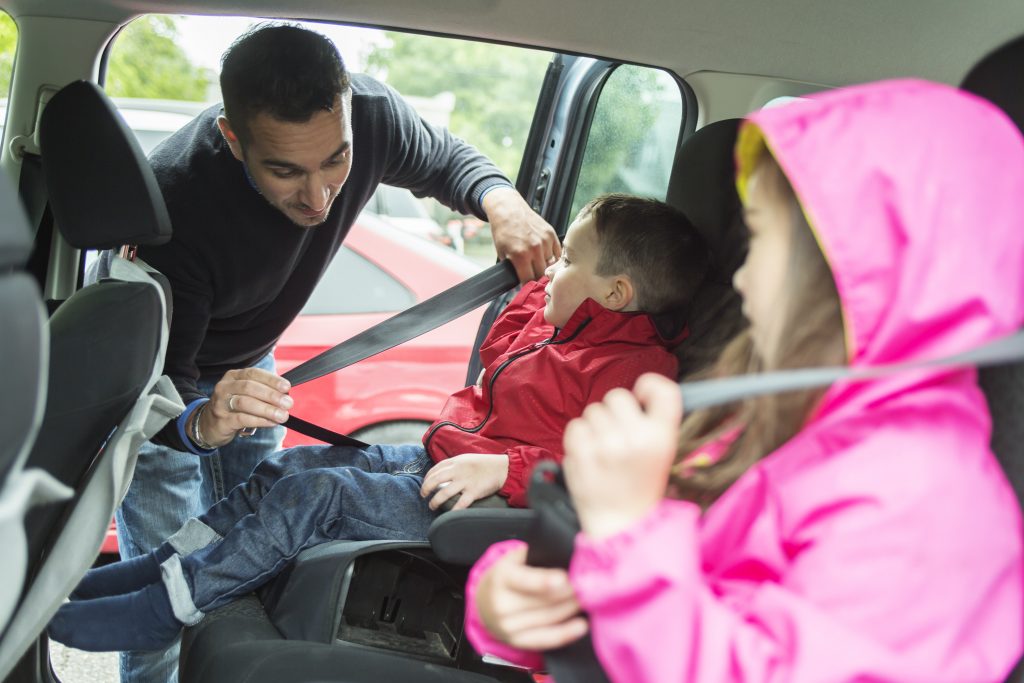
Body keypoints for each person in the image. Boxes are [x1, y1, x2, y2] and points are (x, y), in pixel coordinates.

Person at [464, 79, 1024, 682]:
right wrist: (513, 595)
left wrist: (628, 538)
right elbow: (656, 586)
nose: (743, 278)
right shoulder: (764, 423)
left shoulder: (925, 508)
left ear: (850, 271)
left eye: (757, 242)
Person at [49, 194, 711, 653]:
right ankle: (161, 564)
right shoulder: (565, 325)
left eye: (569, 260)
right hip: (441, 460)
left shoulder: (635, 373)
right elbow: (498, 350)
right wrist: (542, 287)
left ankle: (163, 608)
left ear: (616, 293)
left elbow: (611, 473)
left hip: (484, 506)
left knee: (320, 494)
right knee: (287, 466)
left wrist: (503, 469)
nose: (554, 270)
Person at [104, 22, 560, 682]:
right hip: (168, 388)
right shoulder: (178, 203)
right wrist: (202, 421)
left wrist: (501, 200)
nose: (318, 197)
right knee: (170, 590)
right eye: (285, 170)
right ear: (234, 139)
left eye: (335, 161)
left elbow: (447, 160)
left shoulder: (371, 117)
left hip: (255, 369)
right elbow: (159, 402)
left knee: (257, 558)